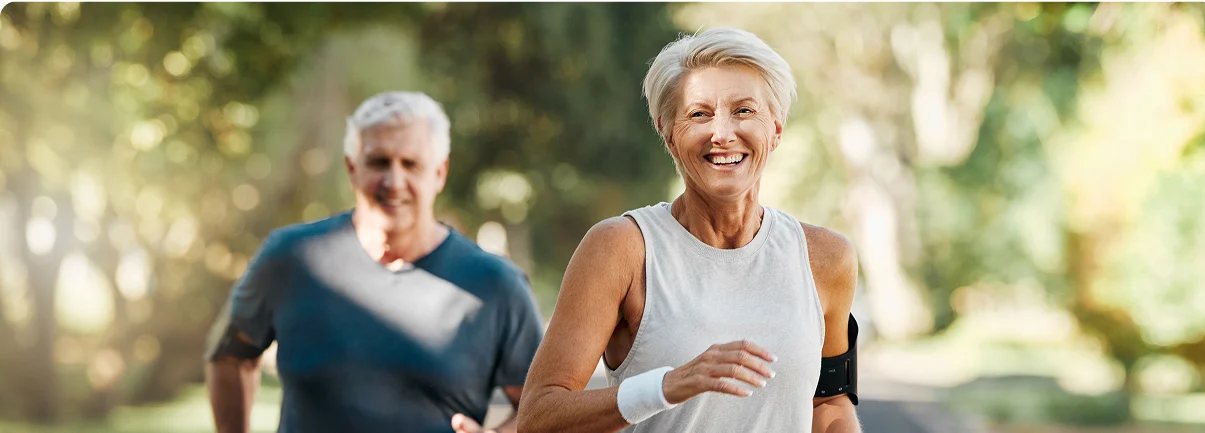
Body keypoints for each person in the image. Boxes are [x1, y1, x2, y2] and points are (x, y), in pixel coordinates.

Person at [516, 27, 863, 432]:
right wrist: (666, 386)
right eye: (699, 114)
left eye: (744, 111)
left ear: (776, 129)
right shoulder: (621, 249)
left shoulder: (825, 258)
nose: (722, 133)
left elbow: (830, 404)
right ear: (668, 132)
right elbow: (539, 417)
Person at [204, 91, 545, 433]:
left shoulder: (497, 284)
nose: (394, 182)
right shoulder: (291, 258)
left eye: (411, 164)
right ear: (352, 168)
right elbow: (231, 356)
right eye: (379, 162)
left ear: (439, 173)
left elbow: (545, 408)